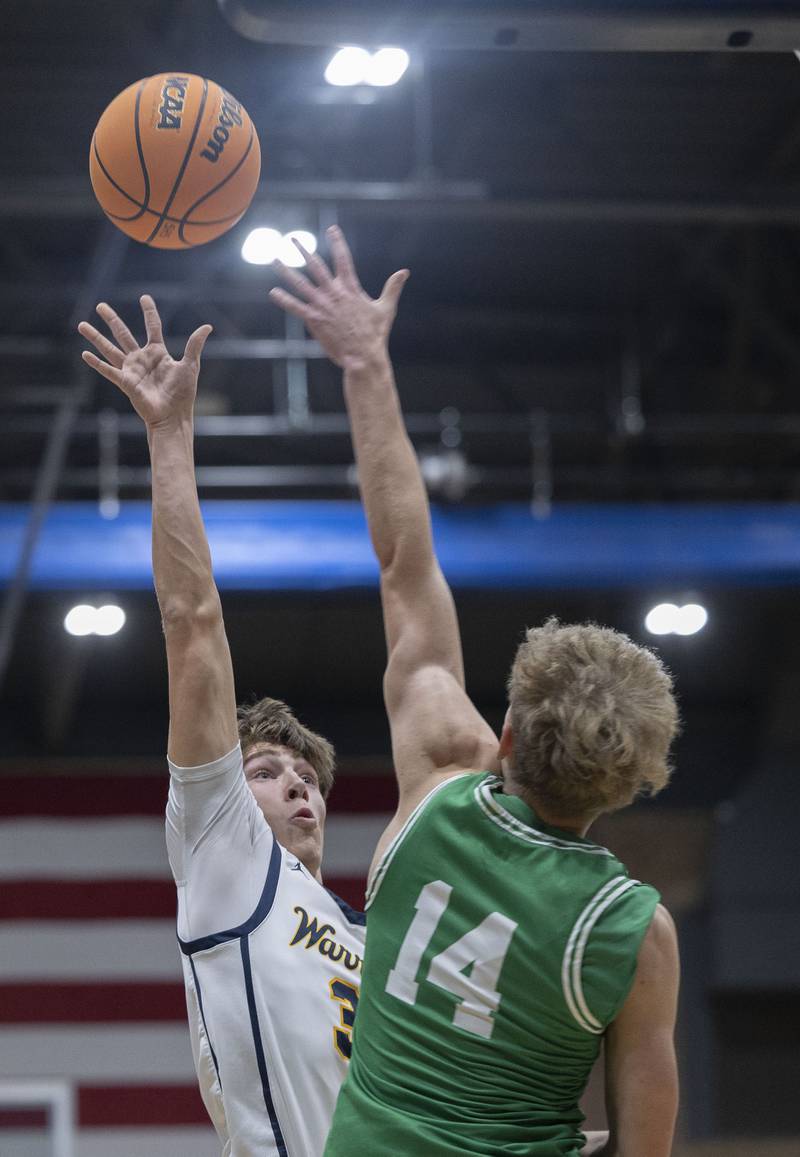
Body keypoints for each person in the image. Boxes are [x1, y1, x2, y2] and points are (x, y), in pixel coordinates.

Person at [270, 226, 681, 1157]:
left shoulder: (440, 782)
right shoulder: (635, 932)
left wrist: (366, 363)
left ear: (503, 733)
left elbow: (403, 563)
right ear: (626, 784)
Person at [78, 297, 366, 1157]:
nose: (299, 784)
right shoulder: (228, 853)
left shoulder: (369, 936)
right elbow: (192, 623)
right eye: (270, 769)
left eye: (307, 775)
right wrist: (170, 434)